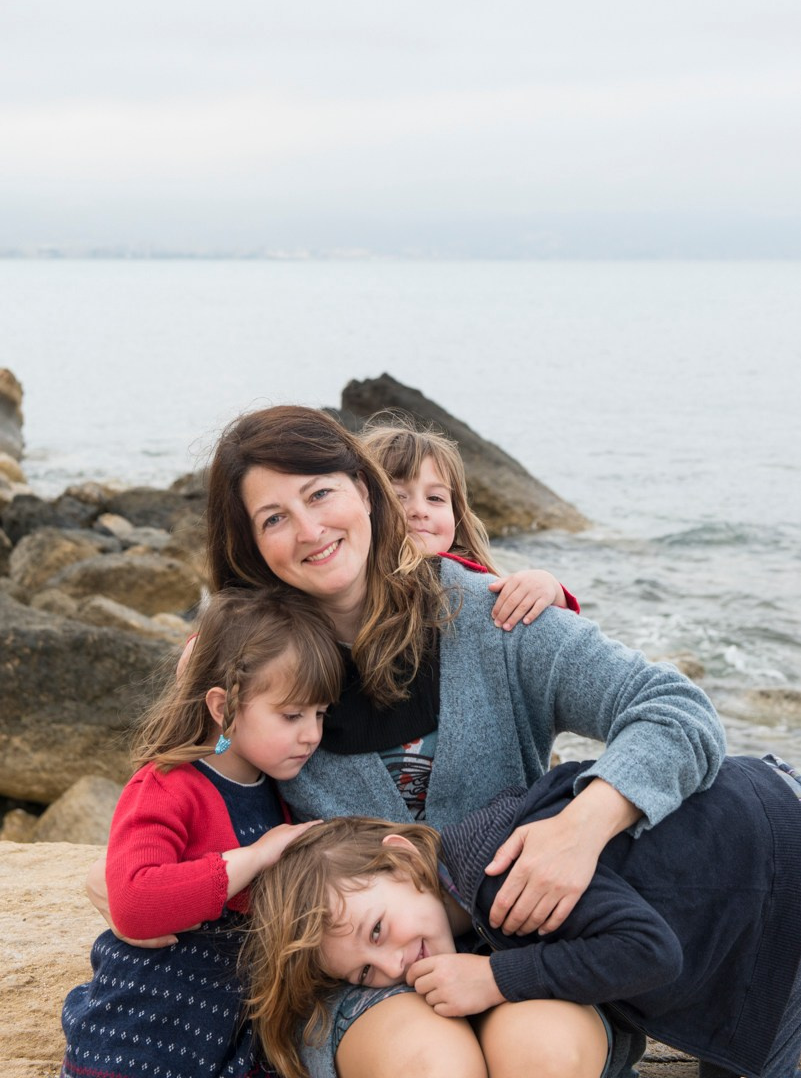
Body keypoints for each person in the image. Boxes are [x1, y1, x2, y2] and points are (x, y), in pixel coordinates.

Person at [89, 404, 726, 1078]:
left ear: (363, 490)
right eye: (274, 518)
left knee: (536, 1056)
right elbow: (180, 789)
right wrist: (140, 892)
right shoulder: (246, 676)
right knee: (430, 1066)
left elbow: (673, 708)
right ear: (250, 547)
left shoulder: (497, 615)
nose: (309, 530)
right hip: (363, 973)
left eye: (320, 494)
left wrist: (583, 826)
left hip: (531, 944)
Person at [244, 751, 801, 1078]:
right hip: (748, 888)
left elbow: (650, 952)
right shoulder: (463, 891)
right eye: (365, 973)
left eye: (377, 930)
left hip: (780, 848)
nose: (393, 966)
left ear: (403, 857)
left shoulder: (505, 872)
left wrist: (495, 978)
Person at [60, 587, 342, 1078]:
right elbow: (133, 902)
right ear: (223, 707)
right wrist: (254, 858)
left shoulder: (277, 791)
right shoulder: (166, 786)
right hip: (142, 1035)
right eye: (292, 715)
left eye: (320, 715)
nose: (312, 735)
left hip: (232, 1040)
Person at [360, 415, 580, 629]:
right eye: (398, 496)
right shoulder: (350, 583)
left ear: (457, 515)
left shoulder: (480, 587)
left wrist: (550, 590)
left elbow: (554, 637)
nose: (419, 510)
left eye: (435, 498)